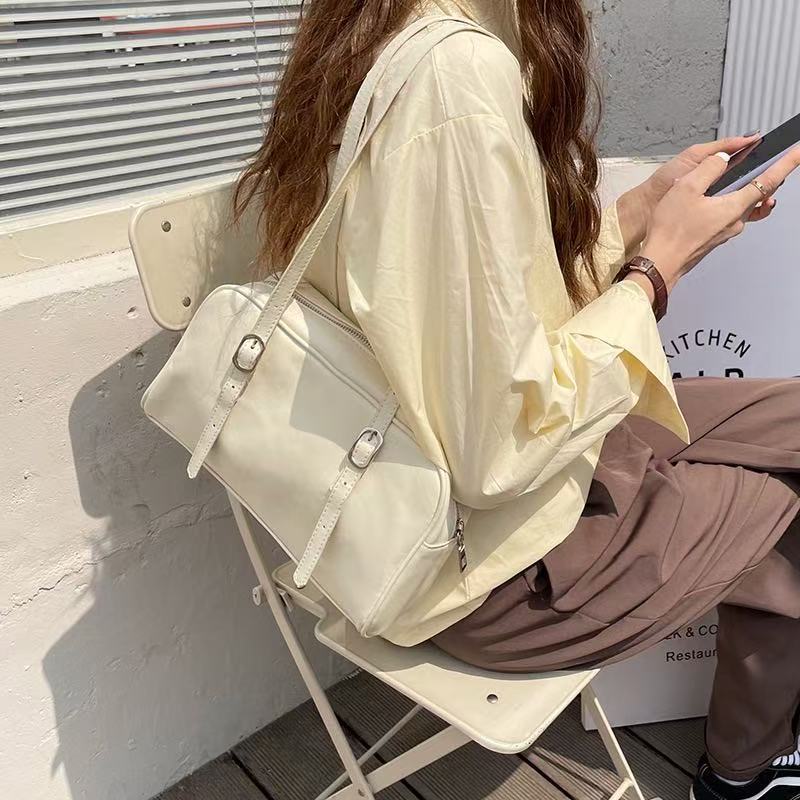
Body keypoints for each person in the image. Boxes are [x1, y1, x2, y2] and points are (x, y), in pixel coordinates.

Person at [235, 1, 800, 797]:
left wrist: (641, 215)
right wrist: (658, 269)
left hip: (488, 476)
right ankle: (746, 770)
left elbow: (486, 325)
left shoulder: (379, 36)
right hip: (493, 570)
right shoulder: (459, 77)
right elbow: (497, 450)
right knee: (789, 494)